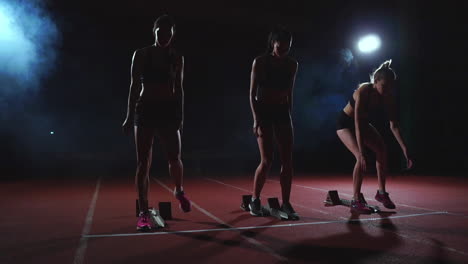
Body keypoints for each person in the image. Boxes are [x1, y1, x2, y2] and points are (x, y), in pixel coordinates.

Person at [122, 14, 191, 231]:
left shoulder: (177, 57)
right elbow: (134, 86)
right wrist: (127, 116)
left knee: (175, 156)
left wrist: (180, 116)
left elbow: (179, 89)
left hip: (168, 111)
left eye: (168, 34)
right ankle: (143, 212)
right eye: (160, 33)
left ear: (173, 34)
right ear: (154, 32)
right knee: (143, 163)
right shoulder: (141, 54)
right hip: (145, 110)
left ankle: (179, 190)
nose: (164, 36)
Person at [336, 60, 413, 214]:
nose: (388, 89)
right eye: (385, 86)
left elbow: (394, 125)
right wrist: (362, 153)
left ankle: (381, 193)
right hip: (345, 124)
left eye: (391, 86)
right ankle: (356, 200)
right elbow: (356, 123)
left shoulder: (388, 96)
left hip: (363, 124)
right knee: (360, 158)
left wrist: (405, 149)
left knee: (382, 150)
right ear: (375, 82)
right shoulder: (364, 90)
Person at [248, 25, 299, 220]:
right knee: (267, 160)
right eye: (280, 48)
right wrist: (256, 119)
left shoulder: (292, 64)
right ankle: (254, 199)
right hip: (264, 111)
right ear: (272, 44)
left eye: (287, 48)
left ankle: (286, 202)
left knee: (287, 161)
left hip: (282, 112)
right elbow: (252, 94)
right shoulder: (260, 62)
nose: (284, 52)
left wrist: (289, 115)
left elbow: (290, 93)